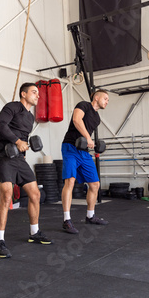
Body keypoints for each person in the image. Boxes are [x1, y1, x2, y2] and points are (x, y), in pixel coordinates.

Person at [0, 82, 52, 258]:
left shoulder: (30, 117)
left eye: (38, 93)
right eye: (34, 92)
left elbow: (24, 139)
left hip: (19, 159)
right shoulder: (12, 107)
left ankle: (34, 232)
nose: (38, 95)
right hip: (4, 156)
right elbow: (0, 125)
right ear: (23, 94)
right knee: (6, 196)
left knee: (35, 194)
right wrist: (17, 141)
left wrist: (23, 149)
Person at [60, 89, 109, 234]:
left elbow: (88, 135)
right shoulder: (84, 105)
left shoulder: (97, 118)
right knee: (70, 181)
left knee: (95, 184)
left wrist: (89, 142)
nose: (107, 101)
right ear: (96, 97)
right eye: (105, 98)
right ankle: (66, 220)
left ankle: (90, 216)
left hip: (83, 151)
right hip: (70, 147)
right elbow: (76, 120)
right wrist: (88, 138)